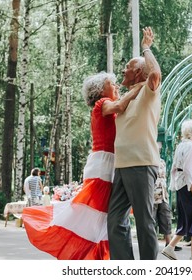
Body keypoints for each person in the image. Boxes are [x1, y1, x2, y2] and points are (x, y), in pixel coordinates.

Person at [22, 71, 140, 260]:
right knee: (94, 215)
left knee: (100, 217)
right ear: (101, 90)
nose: (117, 86)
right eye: (113, 84)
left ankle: (97, 257)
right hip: (103, 164)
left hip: (107, 162)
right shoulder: (102, 104)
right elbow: (120, 105)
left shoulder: (105, 106)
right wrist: (138, 88)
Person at [107, 26, 162, 260]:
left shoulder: (149, 91)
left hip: (141, 164)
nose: (123, 69)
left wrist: (146, 48)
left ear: (139, 72)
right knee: (115, 221)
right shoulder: (125, 97)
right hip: (121, 166)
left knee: (144, 222)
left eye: (128, 66)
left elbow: (156, 73)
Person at [161, 119, 192, 260]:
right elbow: (189, 169)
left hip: (181, 185)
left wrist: (174, 185)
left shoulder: (180, 146)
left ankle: (171, 248)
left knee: (187, 219)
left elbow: (175, 168)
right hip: (190, 185)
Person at [153, 157, 182, 251]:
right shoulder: (147, 159)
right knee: (151, 219)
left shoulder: (162, 161)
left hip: (163, 194)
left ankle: (169, 244)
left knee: (166, 218)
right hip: (152, 194)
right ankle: (152, 243)